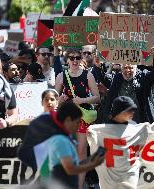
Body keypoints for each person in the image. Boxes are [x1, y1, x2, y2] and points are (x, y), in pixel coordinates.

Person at [18, 102, 104, 189]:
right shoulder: (61, 140)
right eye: (78, 123)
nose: (79, 127)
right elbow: (70, 169)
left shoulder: (55, 123)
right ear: (68, 120)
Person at [55, 47, 100, 189]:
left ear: (81, 59)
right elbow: (53, 99)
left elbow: (97, 98)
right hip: (65, 120)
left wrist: (82, 100)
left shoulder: (88, 75)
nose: (75, 60)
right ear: (67, 59)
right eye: (72, 58)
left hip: (81, 118)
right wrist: (60, 99)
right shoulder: (61, 76)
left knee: (81, 152)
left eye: (77, 58)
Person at [102, 47, 154, 124]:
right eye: (125, 68)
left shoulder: (143, 76)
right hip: (119, 121)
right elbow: (104, 80)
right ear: (121, 68)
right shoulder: (117, 78)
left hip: (139, 120)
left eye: (130, 68)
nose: (127, 70)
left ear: (135, 68)